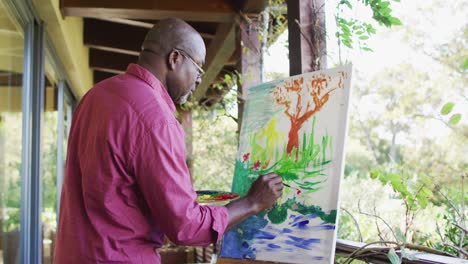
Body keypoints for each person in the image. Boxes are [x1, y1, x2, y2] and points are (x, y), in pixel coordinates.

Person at [54, 18, 283, 263]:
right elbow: (187, 227)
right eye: (198, 67)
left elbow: (112, 188)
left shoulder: (94, 96)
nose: (198, 79)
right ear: (175, 58)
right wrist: (252, 202)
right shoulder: (156, 118)